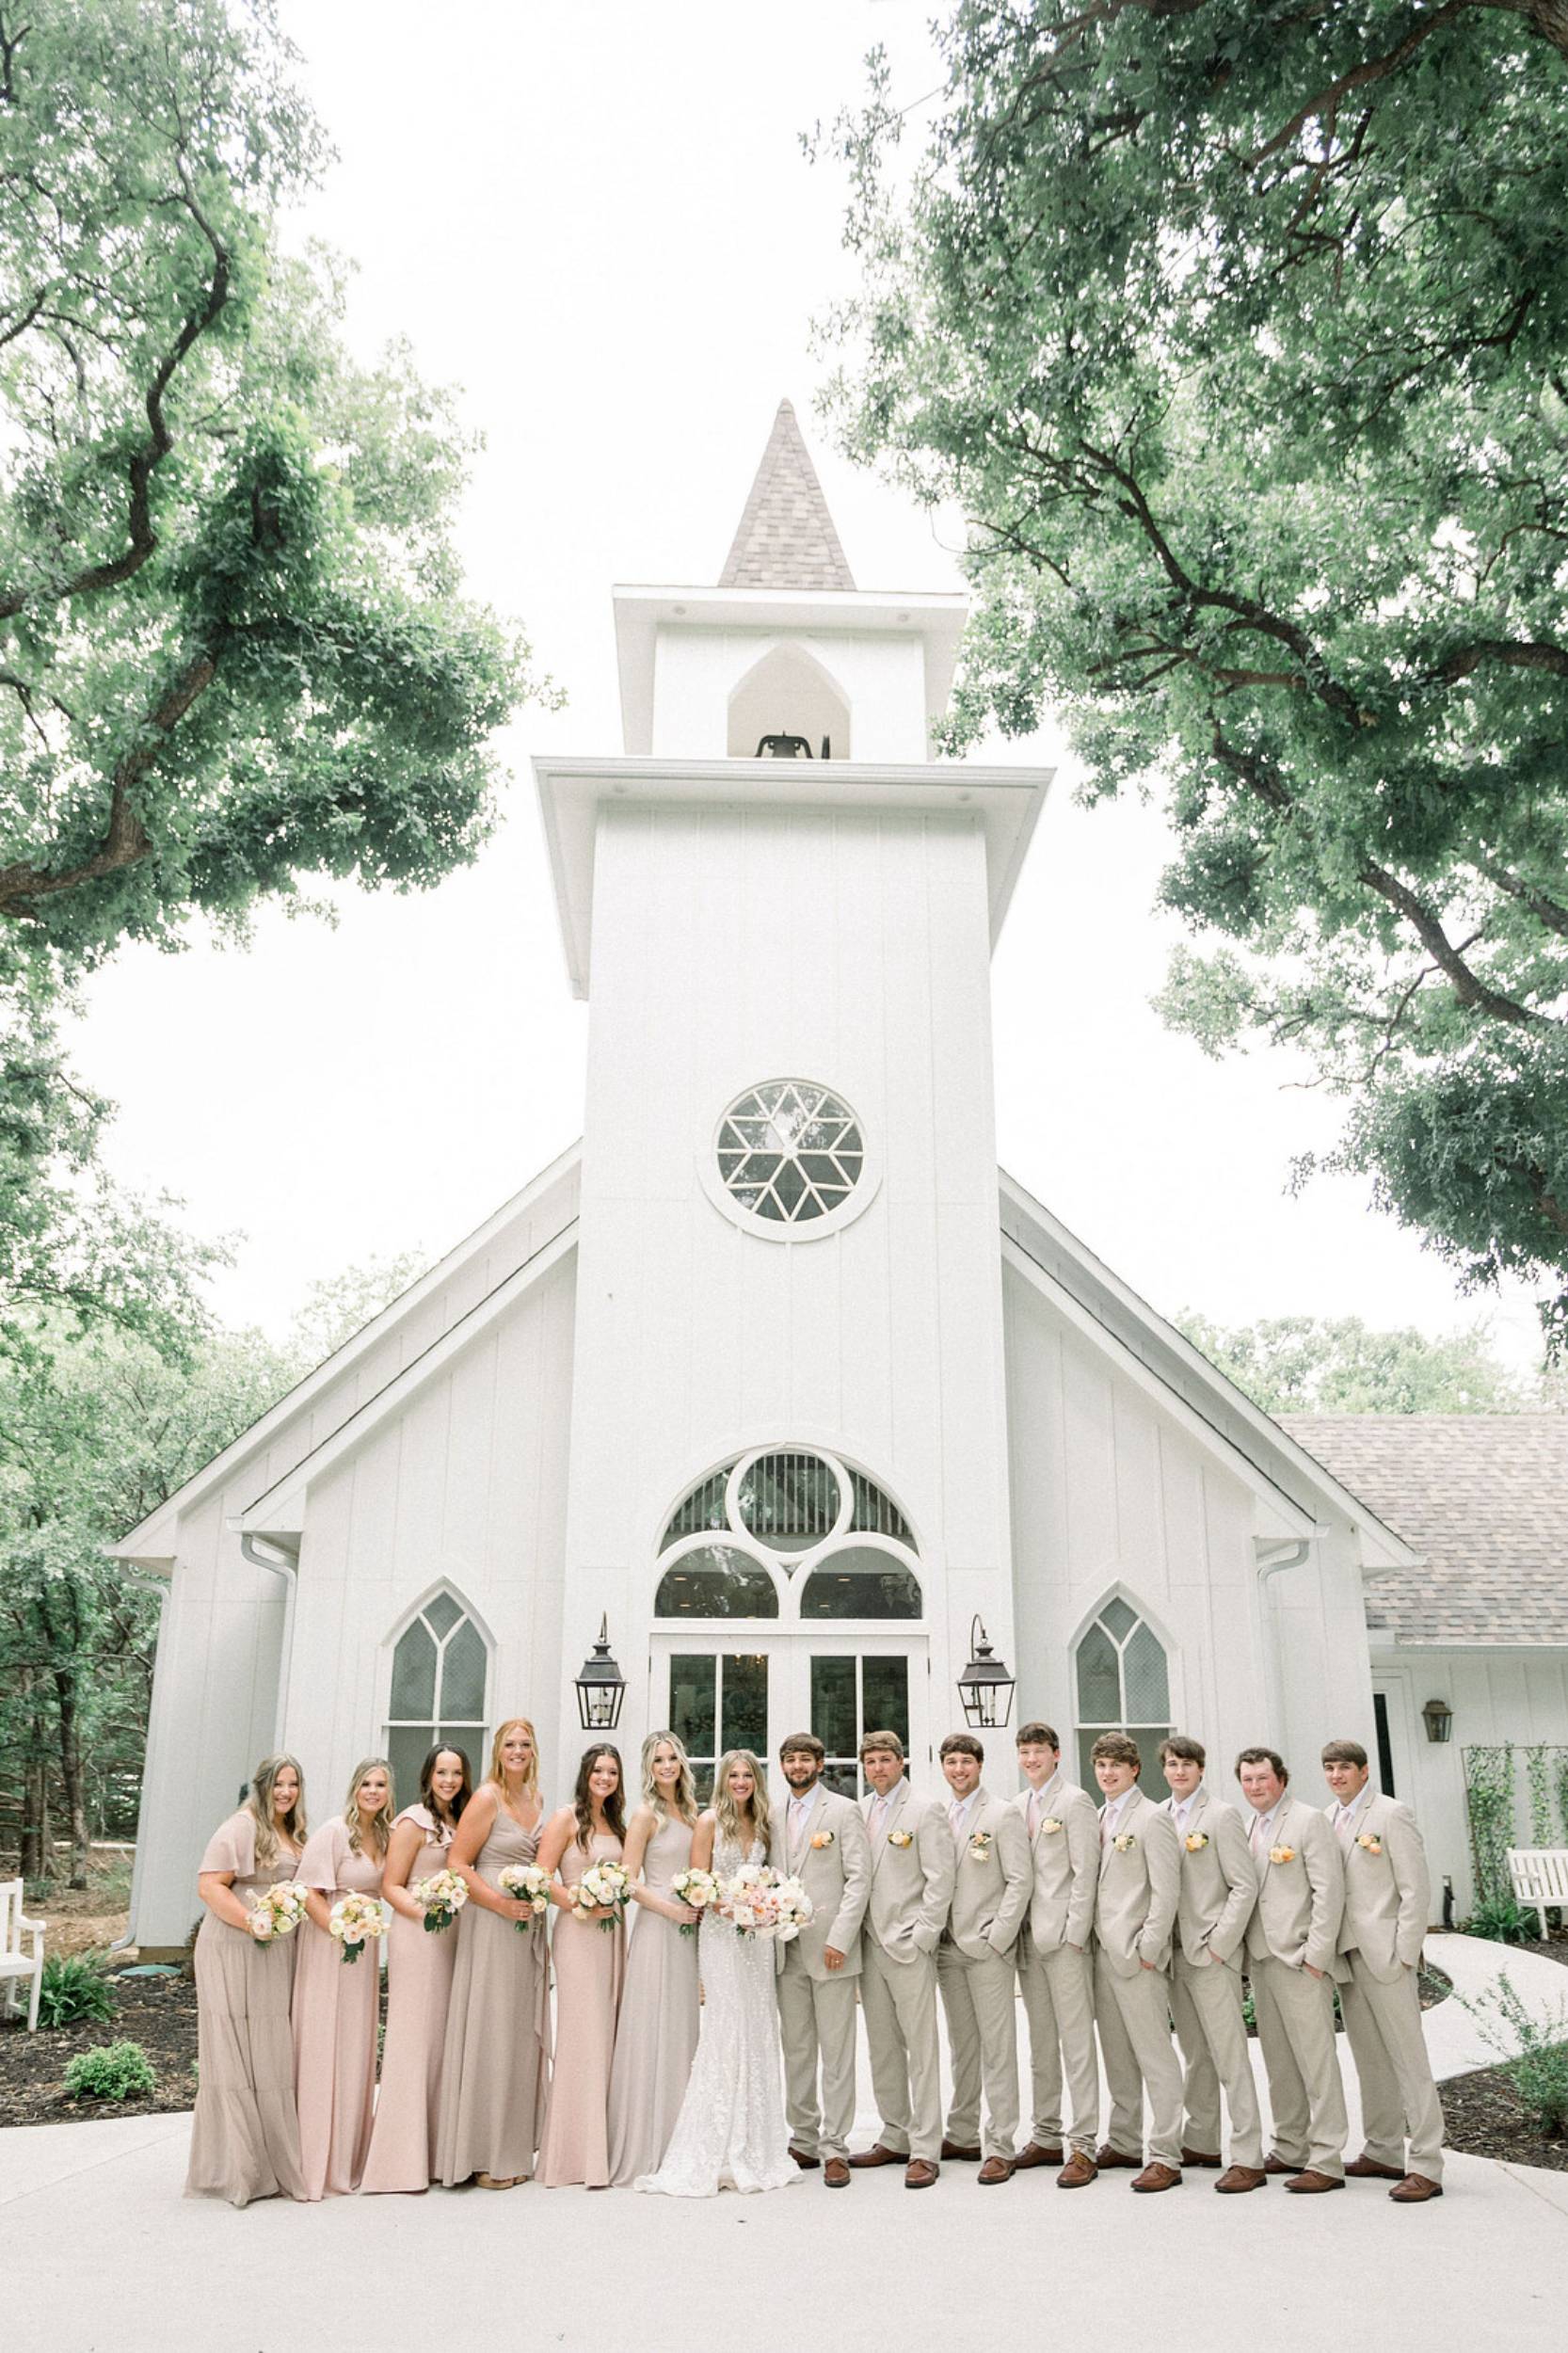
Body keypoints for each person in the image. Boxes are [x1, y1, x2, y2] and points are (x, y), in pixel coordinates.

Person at [637, 1748, 795, 2197]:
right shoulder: (709, 1822)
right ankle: (713, 2149)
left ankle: (759, 2146)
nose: (741, 1782)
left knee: (758, 2026)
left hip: (756, 1941)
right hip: (724, 1938)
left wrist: (767, 1908)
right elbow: (696, 1883)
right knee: (727, 2028)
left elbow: (770, 1878)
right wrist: (734, 1908)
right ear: (723, 1780)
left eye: (748, 1775)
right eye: (734, 1775)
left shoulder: (762, 1822)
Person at [1320, 1737, 1445, 2203]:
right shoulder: (1329, 1819)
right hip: (1349, 1954)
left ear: (1364, 1771)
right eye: (1330, 1768)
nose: (1336, 1776)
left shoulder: (1392, 1814)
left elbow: (1415, 1889)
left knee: (1409, 2060)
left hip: (1387, 1953)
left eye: (1344, 1768)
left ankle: (1428, 2162)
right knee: (1369, 2058)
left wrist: (1405, 1953)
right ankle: (1383, 2149)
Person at [185, 1753, 308, 2206]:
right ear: (261, 1786)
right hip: (234, 1947)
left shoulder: (290, 1831)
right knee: (237, 2053)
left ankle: (272, 2162)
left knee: (268, 2053)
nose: (286, 1792)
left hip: (273, 1951)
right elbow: (209, 1885)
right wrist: (251, 1922)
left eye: (293, 1784)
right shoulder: (240, 1826)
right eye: (278, 1783)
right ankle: (237, 2170)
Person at [436, 1718, 549, 2190]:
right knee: (490, 2028)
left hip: (526, 1926)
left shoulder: (538, 1800)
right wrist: (501, 1903)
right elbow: (458, 1863)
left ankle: (512, 2146)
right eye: (509, 1745)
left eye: (525, 1744)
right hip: (490, 1922)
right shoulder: (486, 1798)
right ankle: (479, 2155)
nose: (517, 1751)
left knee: (518, 2034)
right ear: (498, 1751)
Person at [1238, 1744, 1349, 2193]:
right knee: (1279, 2060)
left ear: (1281, 1779)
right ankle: (1290, 2145)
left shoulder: (1308, 1821)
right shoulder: (1248, 1827)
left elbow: (1329, 1891)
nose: (1255, 1787)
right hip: (1263, 1959)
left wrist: (1316, 1956)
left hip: (1301, 1959)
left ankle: (1326, 2159)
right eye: (1247, 1780)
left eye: (1262, 1778)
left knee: (1316, 2060)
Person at [847, 1729, 955, 2190]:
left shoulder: (925, 1809)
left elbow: (940, 1878)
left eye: (885, 1760)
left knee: (921, 2048)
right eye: (870, 1762)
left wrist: (924, 1936)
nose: (878, 1769)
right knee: (883, 2046)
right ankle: (895, 2134)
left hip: (908, 1943)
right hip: (869, 1945)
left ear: (902, 1762)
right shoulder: (861, 1810)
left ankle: (926, 2147)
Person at [361, 1743, 472, 2195]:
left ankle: (439, 2151)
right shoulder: (412, 1821)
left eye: (457, 1773)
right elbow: (391, 1884)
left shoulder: (459, 1822)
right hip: (419, 1934)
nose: (449, 1780)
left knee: (444, 2039)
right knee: (415, 2038)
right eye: (441, 1772)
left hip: (454, 1936)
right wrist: (426, 1914)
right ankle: (399, 2161)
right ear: (428, 1775)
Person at [1157, 1734, 1264, 2193]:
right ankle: (1200, 2139)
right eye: (1172, 1765)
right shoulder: (1159, 1817)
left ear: (1201, 1769)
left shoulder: (1220, 1816)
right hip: (1173, 1954)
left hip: (1210, 1952)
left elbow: (1244, 1885)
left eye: (1187, 1765)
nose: (1179, 1772)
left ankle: (1248, 2155)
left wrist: (1220, 1944)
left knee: (1229, 2055)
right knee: (1194, 2052)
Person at [771, 1730, 871, 2188]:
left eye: (804, 1759)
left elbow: (858, 1879)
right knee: (796, 2049)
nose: (797, 1766)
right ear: (782, 1766)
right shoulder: (771, 1814)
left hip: (831, 1950)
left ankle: (835, 2145)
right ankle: (804, 2138)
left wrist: (841, 1938)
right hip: (784, 1949)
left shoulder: (844, 1811)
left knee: (837, 2052)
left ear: (820, 1764)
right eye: (790, 1759)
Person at [292, 1755, 394, 2199]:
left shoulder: (385, 1837)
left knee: (355, 2045)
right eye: (367, 1783)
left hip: (364, 1950)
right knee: (324, 2042)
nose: (373, 1791)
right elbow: (308, 1892)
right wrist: (338, 1926)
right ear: (355, 1787)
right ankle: (317, 2160)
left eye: (382, 1785)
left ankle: (351, 2156)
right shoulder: (334, 1832)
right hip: (329, 1946)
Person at [1089, 1732, 1185, 2192]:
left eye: (1116, 1766)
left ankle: (1166, 2152)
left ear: (1135, 1770)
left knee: (1154, 2055)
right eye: (1102, 1766)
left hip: (1137, 1955)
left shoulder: (1153, 1819)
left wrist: (1150, 1947)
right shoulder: (1098, 1815)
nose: (1108, 1773)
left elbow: (1166, 1891)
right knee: (1117, 2056)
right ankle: (1125, 2140)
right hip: (1101, 1956)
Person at [934, 1732, 1031, 2184]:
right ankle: (962, 2131)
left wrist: (998, 1937)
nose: (959, 1770)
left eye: (966, 1762)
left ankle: (1000, 2144)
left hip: (987, 1947)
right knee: (963, 2046)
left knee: (997, 2048)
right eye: (951, 1762)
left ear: (979, 1766)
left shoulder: (1002, 1813)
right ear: (943, 1767)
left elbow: (1019, 1880)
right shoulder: (937, 1814)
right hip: (947, 1948)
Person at [607, 1731, 702, 2185]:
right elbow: (628, 1881)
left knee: (682, 2025)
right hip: (657, 1926)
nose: (667, 1766)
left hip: (689, 1930)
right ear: (648, 1767)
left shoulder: (692, 1812)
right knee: (652, 2024)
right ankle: (646, 2140)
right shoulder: (646, 1815)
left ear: (682, 1763)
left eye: (672, 1758)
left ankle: (682, 2133)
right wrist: (670, 1908)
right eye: (658, 1759)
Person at [1011, 1720, 1100, 2187]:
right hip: (1027, 1941)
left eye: (1038, 1752)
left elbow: (1086, 1872)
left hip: (1064, 1940)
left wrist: (1075, 1934)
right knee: (1041, 2043)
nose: (1031, 1760)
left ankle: (1083, 2144)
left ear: (1056, 1755)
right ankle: (1046, 2135)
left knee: (1076, 2043)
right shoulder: (1018, 1805)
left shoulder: (1075, 1802)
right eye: (1024, 1752)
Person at [537, 1744, 628, 2187]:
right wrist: (581, 1901)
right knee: (582, 2033)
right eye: (598, 1771)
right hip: (577, 1931)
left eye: (612, 1771)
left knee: (608, 2032)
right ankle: (573, 2155)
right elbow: (541, 1877)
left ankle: (603, 2145)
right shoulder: (566, 1818)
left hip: (613, 1933)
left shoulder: (618, 1823)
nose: (605, 1778)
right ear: (585, 1774)